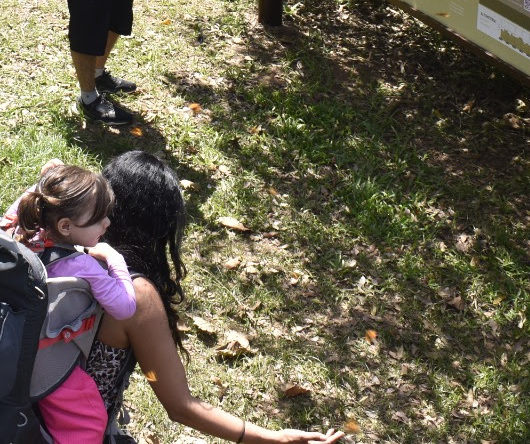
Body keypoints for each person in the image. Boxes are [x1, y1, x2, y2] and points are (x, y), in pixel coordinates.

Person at [89, 152, 344, 444]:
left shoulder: (60, 249)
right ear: (158, 224)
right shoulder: (134, 295)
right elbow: (180, 407)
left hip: (31, 415)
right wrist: (276, 439)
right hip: (74, 433)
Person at [5, 161, 137, 444]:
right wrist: (116, 260)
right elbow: (125, 307)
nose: (107, 223)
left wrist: (47, 178)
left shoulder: (20, 229)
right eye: (100, 218)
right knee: (90, 421)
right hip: (43, 362)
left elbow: (30, 199)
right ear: (65, 226)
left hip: (3, 344)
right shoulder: (83, 266)